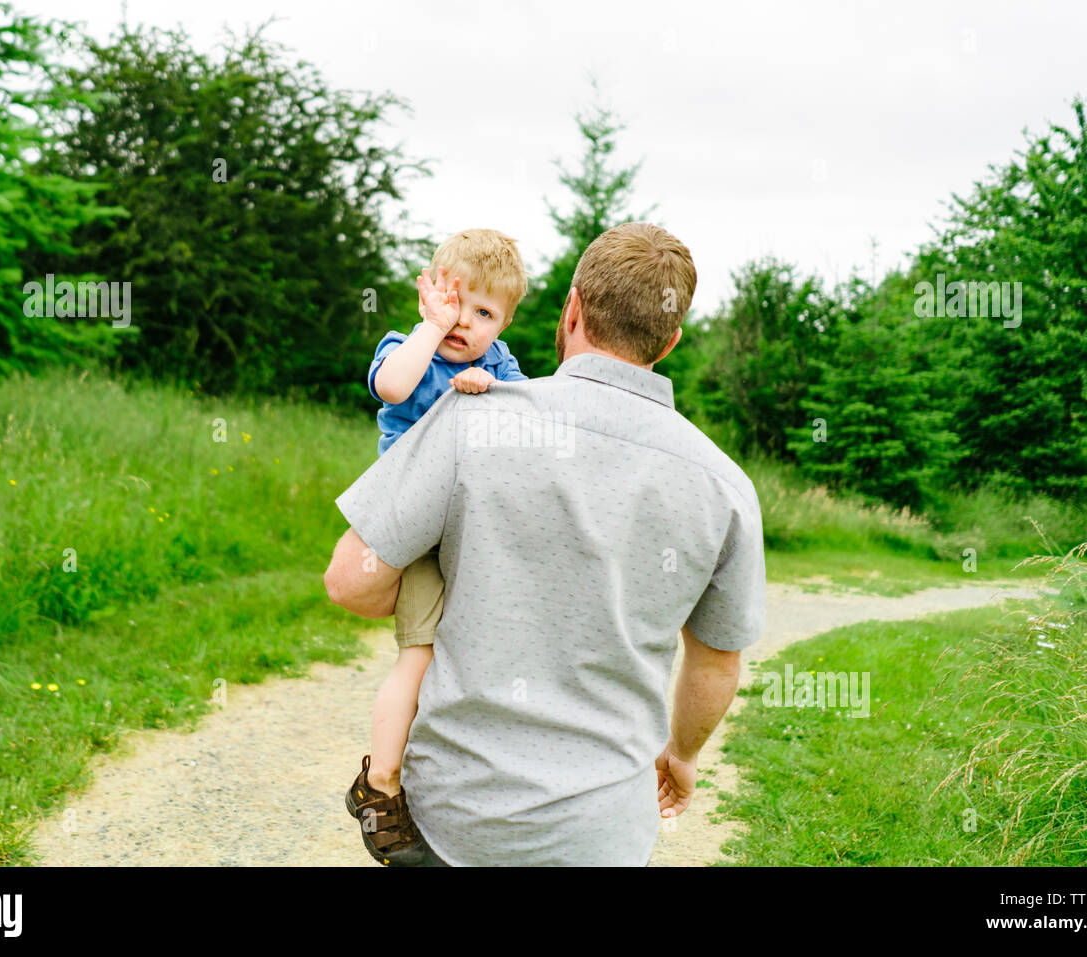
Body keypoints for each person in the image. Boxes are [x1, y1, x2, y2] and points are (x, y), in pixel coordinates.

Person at [325, 222, 765, 866]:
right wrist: (682, 756)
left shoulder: (473, 415)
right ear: (668, 342)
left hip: (457, 817)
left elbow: (351, 582)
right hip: (604, 831)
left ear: (573, 309)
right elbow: (717, 662)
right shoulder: (726, 486)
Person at [342, 228, 529, 865]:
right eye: (455, 302)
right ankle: (381, 781)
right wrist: (430, 329)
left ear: (503, 324)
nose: (464, 323)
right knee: (418, 656)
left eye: (484, 314)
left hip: (473, 530)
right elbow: (392, 387)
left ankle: (459, 784)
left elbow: (531, 417)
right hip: (415, 529)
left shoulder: (500, 364)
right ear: (430, 293)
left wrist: (494, 389)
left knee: (475, 656)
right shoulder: (405, 346)